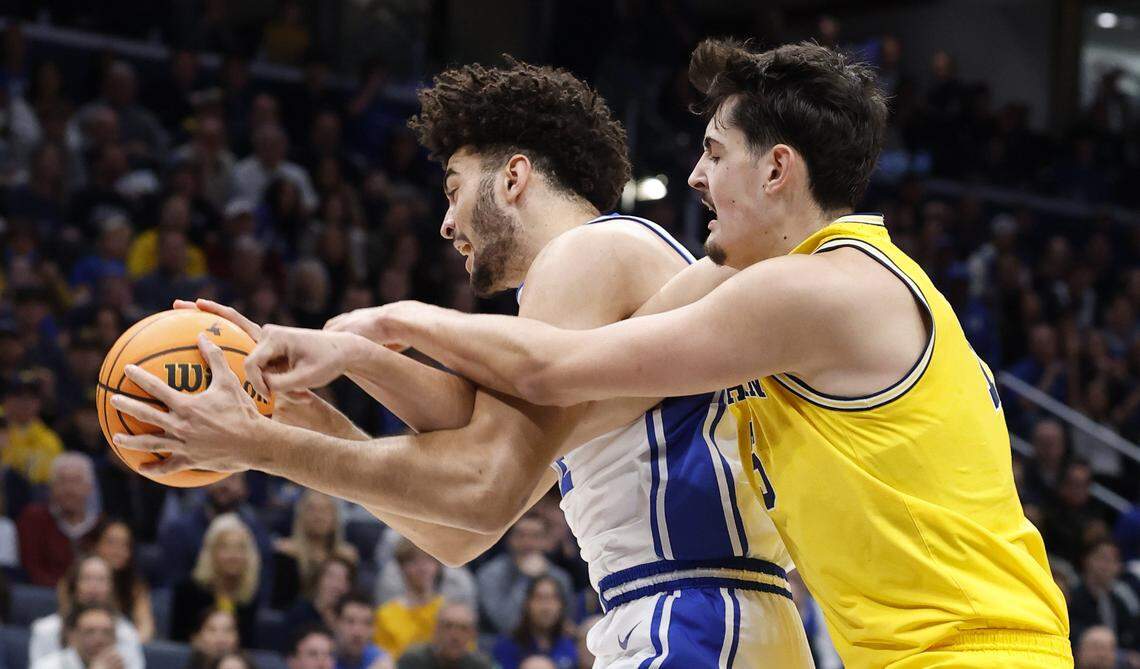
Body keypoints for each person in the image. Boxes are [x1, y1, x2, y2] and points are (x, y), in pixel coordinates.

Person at [292, 40, 1074, 667]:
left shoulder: (805, 291)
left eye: (713, 151)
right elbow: (545, 405)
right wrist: (329, 384)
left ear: (776, 169)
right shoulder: (799, 283)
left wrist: (387, 319)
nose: (694, 175)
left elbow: (549, 369)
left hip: (944, 651)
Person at [111, 57, 812, 668]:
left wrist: (259, 442)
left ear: (513, 178)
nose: (445, 223)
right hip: (715, 620)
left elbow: (484, 483)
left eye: (453, 187)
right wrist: (315, 407)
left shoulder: (587, 252)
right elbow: (456, 532)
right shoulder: (607, 275)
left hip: (692, 620)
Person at [29, 556, 144, 669]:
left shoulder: (127, 632)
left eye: (101, 580)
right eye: (87, 578)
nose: (94, 587)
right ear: (72, 637)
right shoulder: (45, 630)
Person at [171, 513, 262, 645]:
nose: (233, 556)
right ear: (211, 552)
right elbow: (177, 645)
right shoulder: (187, 591)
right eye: (225, 547)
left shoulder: (249, 597)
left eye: (240, 548)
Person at [476, 517, 571, 635]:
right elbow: (505, 624)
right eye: (521, 535)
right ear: (509, 539)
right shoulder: (490, 574)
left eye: (535, 536)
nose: (527, 543)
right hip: (502, 645)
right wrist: (525, 577)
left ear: (546, 541)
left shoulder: (560, 577)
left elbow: (566, 625)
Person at [18, 453, 101, 586]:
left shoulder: (100, 525)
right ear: (51, 487)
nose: (69, 489)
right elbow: (31, 570)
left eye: (75, 481)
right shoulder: (34, 519)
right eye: (62, 481)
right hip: (46, 597)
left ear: (89, 487)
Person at [272, 490, 359, 609]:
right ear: (300, 515)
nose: (319, 516)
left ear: (335, 517)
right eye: (311, 509)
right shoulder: (286, 552)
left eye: (326, 510)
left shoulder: (347, 556)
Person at [373, 540, 444, 659]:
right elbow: (383, 660)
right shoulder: (385, 615)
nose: (422, 568)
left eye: (429, 559)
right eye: (413, 561)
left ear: (438, 565)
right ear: (402, 567)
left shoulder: (449, 612)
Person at [89, 520, 155, 642]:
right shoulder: (75, 578)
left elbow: (146, 630)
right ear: (97, 545)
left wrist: (126, 646)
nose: (117, 550)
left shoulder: (136, 587)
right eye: (111, 543)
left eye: (124, 545)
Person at [491, 576, 577, 669]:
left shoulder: (569, 646)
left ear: (561, 605)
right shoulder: (506, 646)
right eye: (539, 598)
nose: (546, 607)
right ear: (527, 604)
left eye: (553, 598)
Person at [395, 603, 491, 669]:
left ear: (472, 635)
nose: (455, 636)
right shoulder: (413, 660)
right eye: (448, 626)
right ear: (436, 632)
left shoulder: (479, 665)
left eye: (464, 629)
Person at [31, 603, 124, 669]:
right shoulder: (47, 666)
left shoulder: (122, 664)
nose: (99, 639)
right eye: (90, 632)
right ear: (72, 637)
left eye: (107, 633)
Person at [285, 557, 356, 635]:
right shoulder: (300, 613)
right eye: (331, 577)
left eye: (343, 579)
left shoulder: (351, 618)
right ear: (319, 579)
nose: (336, 585)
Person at [333, 594, 391, 669]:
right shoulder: (321, 656)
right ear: (336, 624)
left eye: (366, 623)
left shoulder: (378, 658)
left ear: (373, 629)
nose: (358, 632)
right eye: (350, 622)